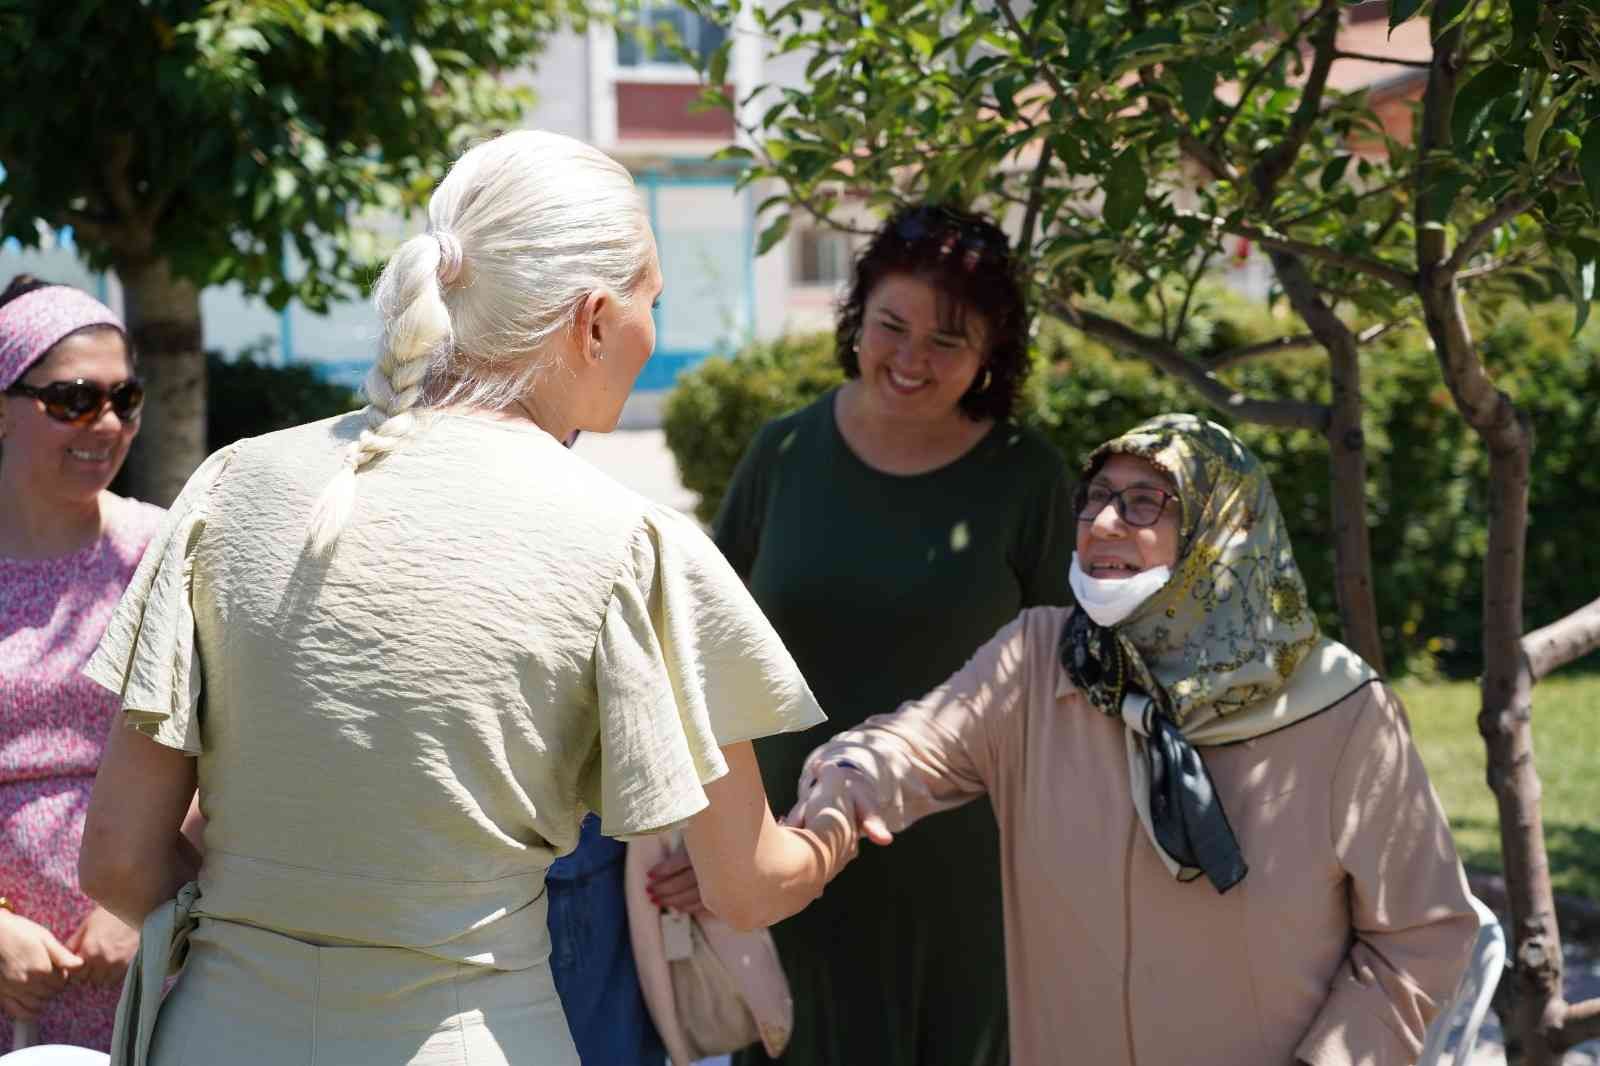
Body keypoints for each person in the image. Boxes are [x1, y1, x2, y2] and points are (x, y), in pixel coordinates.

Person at [74, 129, 855, 1066]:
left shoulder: (231, 485)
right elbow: (745, 885)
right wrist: (836, 826)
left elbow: (118, 860)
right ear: (593, 320)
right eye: (652, 301)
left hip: (217, 1032)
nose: (651, 331)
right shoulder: (631, 542)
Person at [786, 413, 1479, 1066]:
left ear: (1223, 527)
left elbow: (1421, 937)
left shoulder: (1339, 708)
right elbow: (916, 742)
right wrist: (848, 781)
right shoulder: (1037, 659)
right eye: (1096, 498)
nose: (1104, 522)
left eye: (1146, 503)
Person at [647, 204, 1075, 1066]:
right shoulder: (784, 455)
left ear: (992, 351)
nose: (911, 359)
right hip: (786, 867)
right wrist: (711, 839)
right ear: (857, 319)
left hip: (968, 886)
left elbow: (1067, 692)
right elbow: (693, 664)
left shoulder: (1027, 479)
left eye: (947, 340)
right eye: (892, 325)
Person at [0, 276, 162, 1049]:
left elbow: (225, 747)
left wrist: (142, 901)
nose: (106, 423)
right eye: (72, 399)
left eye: (124, 398)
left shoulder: (162, 550)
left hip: (144, 968)